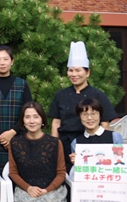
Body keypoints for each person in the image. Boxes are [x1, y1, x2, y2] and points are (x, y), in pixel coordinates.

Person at [8, 102, 76, 202]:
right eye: (28, 117)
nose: (32, 121)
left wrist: (47, 190)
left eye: (36, 117)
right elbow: (13, 173)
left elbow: (61, 173)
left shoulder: (54, 143)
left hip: (52, 188)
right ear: (22, 121)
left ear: (42, 120)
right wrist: (28, 188)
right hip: (26, 188)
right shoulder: (15, 143)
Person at [50, 41, 118, 172]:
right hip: (64, 143)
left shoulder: (98, 95)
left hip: (90, 144)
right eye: (70, 70)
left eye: (78, 70)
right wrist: (55, 145)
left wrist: (100, 145)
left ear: (87, 73)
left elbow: (105, 124)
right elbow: (56, 122)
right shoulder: (61, 95)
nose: (74, 74)